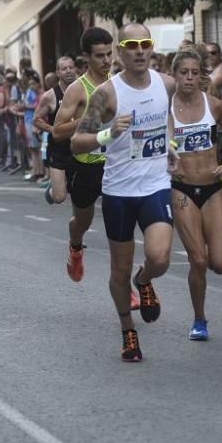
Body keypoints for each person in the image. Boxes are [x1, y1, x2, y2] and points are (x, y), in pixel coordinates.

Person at [70, 23, 176, 362]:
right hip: (118, 191)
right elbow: (76, 144)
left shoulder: (166, 83)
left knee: (159, 258)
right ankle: (128, 331)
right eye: (132, 44)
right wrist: (107, 134)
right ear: (121, 51)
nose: (140, 50)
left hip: (156, 185)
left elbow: (166, 117)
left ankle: (143, 280)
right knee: (118, 270)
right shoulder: (107, 94)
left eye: (146, 43)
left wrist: (169, 143)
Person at [169, 46, 222, 340]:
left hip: (212, 189)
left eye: (194, 73)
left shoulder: (214, 105)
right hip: (182, 188)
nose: (189, 78)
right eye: (183, 73)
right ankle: (199, 320)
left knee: (221, 264)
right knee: (198, 260)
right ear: (174, 75)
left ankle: (203, 258)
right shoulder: (166, 109)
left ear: (201, 76)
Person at [52, 28, 116, 282]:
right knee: (82, 221)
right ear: (86, 57)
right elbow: (57, 131)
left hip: (113, 165)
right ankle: (75, 246)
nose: (107, 61)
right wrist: (87, 120)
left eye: (110, 54)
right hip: (85, 166)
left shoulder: (118, 84)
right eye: (100, 56)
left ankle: (124, 283)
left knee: (119, 229)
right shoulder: (77, 90)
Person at [36, 56, 77, 204]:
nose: (68, 71)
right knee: (59, 197)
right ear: (58, 73)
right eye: (64, 69)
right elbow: (37, 119)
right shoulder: (50, 96)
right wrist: (53, 129)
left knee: (80, 195)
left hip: (79, 148)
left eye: (71, 67)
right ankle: (53, 190)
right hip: (59, 150)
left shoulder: (83, 91)